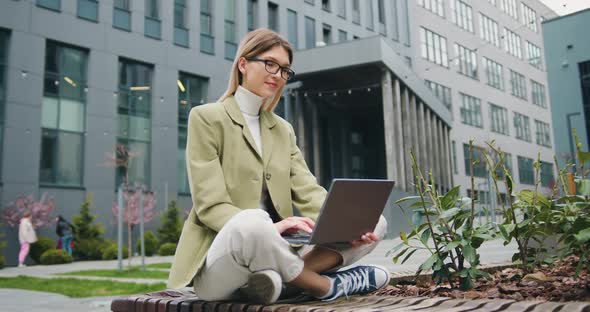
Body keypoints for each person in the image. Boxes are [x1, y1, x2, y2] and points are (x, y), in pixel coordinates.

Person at [168, 28, 390, 304]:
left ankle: (278, 284)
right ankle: (324, 286)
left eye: (284, 70)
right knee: (253, 220)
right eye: (270, 64)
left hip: (280, 255)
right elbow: (210, 206)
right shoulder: (206, 118)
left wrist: (348, 224)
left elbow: (309, 192)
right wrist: (271, 228)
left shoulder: (282, 130)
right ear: (243, 64)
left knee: (374, 222)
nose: (277, 74)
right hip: (223, 260)